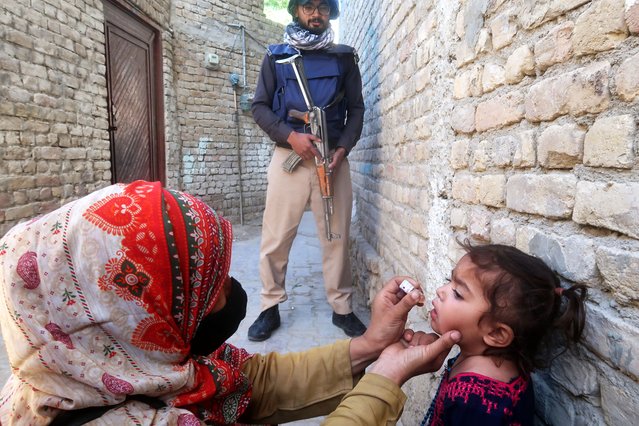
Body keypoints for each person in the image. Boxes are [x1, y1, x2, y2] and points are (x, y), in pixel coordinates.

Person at [0, 180, 460, 424]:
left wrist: (371, 345)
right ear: (136, 313)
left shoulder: (133, 368)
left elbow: (251, 381)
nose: (228, 296)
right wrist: (385, 378)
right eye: (208, 291)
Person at [249, 0, 366, 341]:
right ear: (296, 11)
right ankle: (269, 307)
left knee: (336, 235)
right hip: (291, 159)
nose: (316, 14)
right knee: (276, 236)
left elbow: (356, 109)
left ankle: (341, 308)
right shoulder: (276, 56)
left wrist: (343, 149)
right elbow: (259, 106)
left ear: (330, 14)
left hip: (332, 160)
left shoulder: (344, 58)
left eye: (323, 8)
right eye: (308, 6)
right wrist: (290, 136)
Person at [420, 242, 588, 426]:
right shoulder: (487, 356)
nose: (440, 291)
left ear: (497, 334)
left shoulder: (476, 403)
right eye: (448, 280)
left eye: (458, 293)